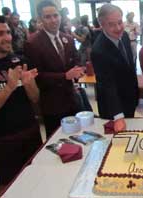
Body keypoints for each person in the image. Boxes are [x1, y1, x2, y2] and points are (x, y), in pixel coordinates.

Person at [0, 14, 42, 192]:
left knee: (35, 176)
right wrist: (10, 86)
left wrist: (29, 85)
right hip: (2, 138)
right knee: (8, 186)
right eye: (0, 34)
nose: (8, 38)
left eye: (8, 32)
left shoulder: (20, 60)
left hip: (30, 130)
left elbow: (35, 98)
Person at [24, 1, 84, 138]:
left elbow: (76, 60)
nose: (53, 20)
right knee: (57, 142)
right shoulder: (32, 43)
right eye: (48, 17)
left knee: (77, 137)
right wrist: (64, 76)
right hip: (52, 104)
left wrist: (80, 69)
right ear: (40, 19)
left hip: (71, 100)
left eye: (56, 15)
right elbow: (37, 76)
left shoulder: (67, 38)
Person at [91, 4, 139, 132]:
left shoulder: (124, 36)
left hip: (129, 98)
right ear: (102, 25)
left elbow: (130, 67)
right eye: (111, 24)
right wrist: (118, 116)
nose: (118, 28)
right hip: (112, 107)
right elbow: (107, 85)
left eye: (119, 22)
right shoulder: (98, 50)